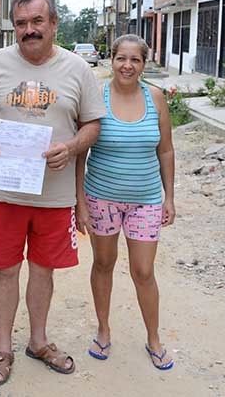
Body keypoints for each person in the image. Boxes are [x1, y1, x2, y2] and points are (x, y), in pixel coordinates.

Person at [0, 0, 105, 385]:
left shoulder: (77, 69)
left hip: (54, 195)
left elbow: (93, 124)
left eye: (37, 21)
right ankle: (2, 347)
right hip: (3, 192)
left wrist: (71, 147)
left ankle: (38, 342)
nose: (29, 30)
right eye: (21, 23)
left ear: (53, 24)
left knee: (44, 271)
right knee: (5, 270)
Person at [75, 34, 176, 371]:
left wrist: (169, 197)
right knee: (103, 263)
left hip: (145, 200)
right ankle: (103, 330)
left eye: (135, 60)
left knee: (143, 271)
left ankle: (154, 338)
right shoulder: (96, 97)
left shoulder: (156, 98)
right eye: (121, 58)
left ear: (144, 64)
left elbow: (166, 150)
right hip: (101, 198)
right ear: (112, 60)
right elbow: (81, 152)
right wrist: (80, 201)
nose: (127, 66)